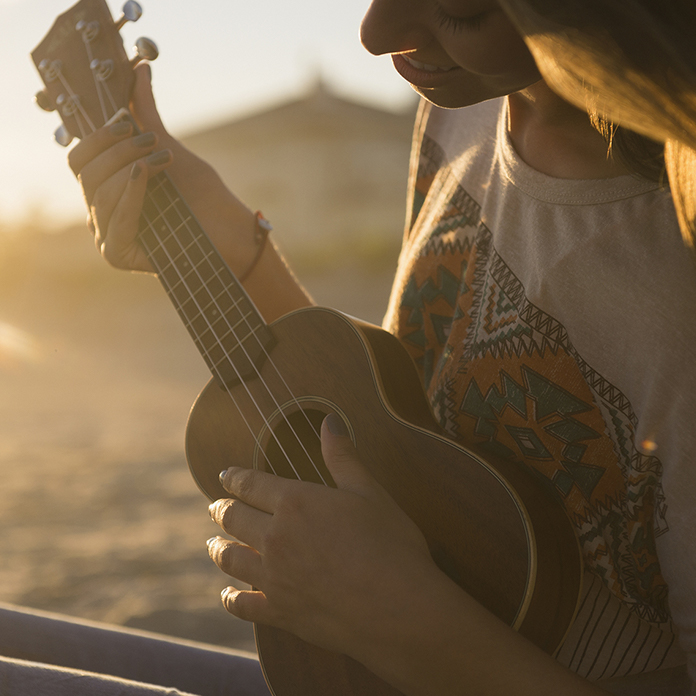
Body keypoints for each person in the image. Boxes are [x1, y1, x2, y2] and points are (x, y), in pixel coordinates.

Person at [7, 0, 694, 694]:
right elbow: (394, 432)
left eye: (459, 9)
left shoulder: (675, 282)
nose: (373, 36)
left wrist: (398, 618)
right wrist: (218, 233)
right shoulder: (468, 105)